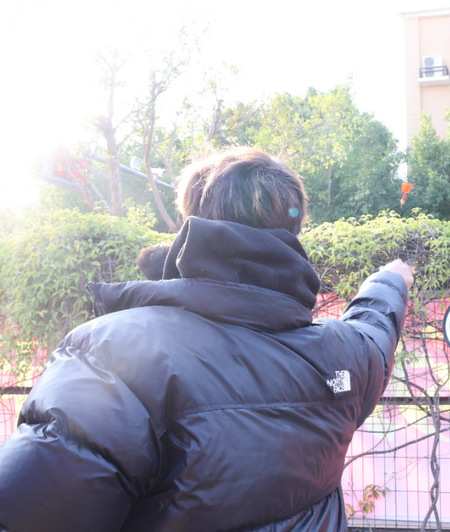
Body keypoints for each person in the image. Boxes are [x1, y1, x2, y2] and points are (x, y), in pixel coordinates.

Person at [0, 147, 413, 531]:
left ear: (191, 224)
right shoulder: (342, 355)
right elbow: (375, 330)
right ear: (293, 228)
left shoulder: (114, 356)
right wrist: (389, 280)